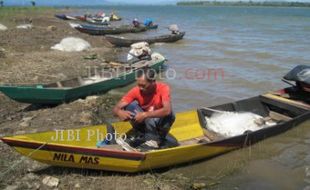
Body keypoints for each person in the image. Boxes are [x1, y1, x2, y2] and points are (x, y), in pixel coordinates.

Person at [113, 67, 175, 149]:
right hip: (143, 123)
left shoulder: (163, 88)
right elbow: (115, 109)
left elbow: (167, 110)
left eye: (144, 86)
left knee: (170, 115)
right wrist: (119, 112)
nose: (141, 88)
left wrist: (145, 114)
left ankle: (156, 140)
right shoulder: (136, 91)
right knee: (129, 106)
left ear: (153, 82)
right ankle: (138, 133)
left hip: (157, 122)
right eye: (139, 85)